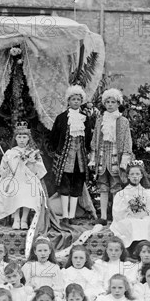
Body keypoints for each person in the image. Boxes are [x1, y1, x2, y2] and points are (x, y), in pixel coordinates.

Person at [0, 122, 47, 230]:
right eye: (19, 137)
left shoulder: (33, 152)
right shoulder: (10, 153)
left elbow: (40, 171)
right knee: (15, 192)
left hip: (28, 180)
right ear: (15, 138)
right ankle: (16, 219)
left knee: (27, 192)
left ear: (28, 139)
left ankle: (24, 219)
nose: (22, 140)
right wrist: (5, 166)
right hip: (13, 179)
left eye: (24, 137)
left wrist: (32, 162)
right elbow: (2, 170)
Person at [49, 85, 93, 223]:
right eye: (73, 99)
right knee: (64, 185)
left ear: (81, 101)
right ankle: (65, 215)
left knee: (77, 185)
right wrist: (59, 151)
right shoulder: (62, 118)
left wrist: (88, 152)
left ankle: (72, 215)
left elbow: (89, 138)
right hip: (65, 158)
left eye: (78, 99)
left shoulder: (85, 118)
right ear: (68, 101)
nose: (76, 102)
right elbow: (54, 137)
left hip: (80, 159)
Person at [89, 88, 133, 225]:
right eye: (107, 102)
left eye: (113, 102)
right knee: (103, 185)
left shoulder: (123, 121)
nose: (110, 105)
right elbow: (95, 138)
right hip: (102, 154)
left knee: (116, 186)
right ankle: (102, 216)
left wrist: (125, 159)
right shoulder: (100, 120)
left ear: (118, 103)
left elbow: (127, 140)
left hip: (116, 155)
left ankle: (116, 216)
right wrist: (93, 157)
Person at [110, 160, 150, 252]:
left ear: (141, 175)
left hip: (144, 217)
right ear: (128, 176)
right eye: (132, 174)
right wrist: (131, 214)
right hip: (129, 218)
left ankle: (145, 250)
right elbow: (118, 213)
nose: (135, 177)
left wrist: (143, 214)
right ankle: (132, 250)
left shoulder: (147, 193)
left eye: (137, 174)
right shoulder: (122, 194)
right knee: (132, 223)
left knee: (146, 222)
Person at [21, 237, 64, 301]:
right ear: (35, 252)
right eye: (40, 250)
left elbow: (58, 287)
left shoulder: (55, 267)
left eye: (45, 250)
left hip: (49, 297)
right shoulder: (29, 266)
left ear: (50, 251)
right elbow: (25, 283)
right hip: (33, 296)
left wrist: (50, 294)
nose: (43, 253)